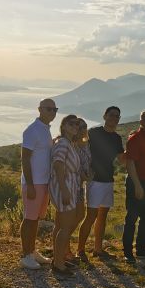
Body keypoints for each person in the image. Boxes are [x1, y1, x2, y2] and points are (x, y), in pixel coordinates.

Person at [78, 106, 124, 260]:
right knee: (91, 216)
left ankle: (98, 249)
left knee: (102, 216)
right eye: (111, 115)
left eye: (117, 116)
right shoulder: (94, 133)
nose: (114, 118)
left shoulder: (117, 138)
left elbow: (122, 159)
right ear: (104, 116)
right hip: (94, 181)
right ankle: (80, 250)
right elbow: (79, 142)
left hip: (108, 181)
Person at [19, 98, 57, 270]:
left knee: (35, 219)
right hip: (33, 183)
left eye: (54, 109)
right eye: (48, 109)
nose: (52, 112)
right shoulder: (32, 130)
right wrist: (31, 185)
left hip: (43, 183)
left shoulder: (45, 130)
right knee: (29, 218)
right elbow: (25, 159)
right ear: (40, 109)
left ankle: (32, 251)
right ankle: (25, 255)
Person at [122, 111, 145, 262]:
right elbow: (130, 164)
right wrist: (138, 186)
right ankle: (127, 252)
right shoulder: (135, 139)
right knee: (132, 218)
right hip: (137, 183)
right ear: (141, 122)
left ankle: (142, 249)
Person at [49, 114, 82, 275]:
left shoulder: (68, 143)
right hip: (64, 186)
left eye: (77, 124)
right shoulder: (63, 143)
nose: (75, 126)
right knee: (66, 227)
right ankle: (59, 264)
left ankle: (58, 259)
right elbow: (58, 163)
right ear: (63, 126)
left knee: (60, 225)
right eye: (71, 124)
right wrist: (64, 189)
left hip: (68, 185)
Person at [72, 118, 92, 260]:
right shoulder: (71, 145)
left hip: (81, 186)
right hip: (71, 184)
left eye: (84, 126)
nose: (82, 129)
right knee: (68, 218)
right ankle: (64, 248)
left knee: (80, 215)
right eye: (79, 127)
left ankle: (74, 248)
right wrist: (82, 175)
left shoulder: (87, 144)